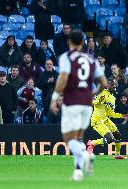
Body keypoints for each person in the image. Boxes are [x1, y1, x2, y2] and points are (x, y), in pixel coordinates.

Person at [50, 31, 107, 181]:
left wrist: (54, 98)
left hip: (72, 102)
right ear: (83, 43)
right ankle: (78, 172)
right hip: (87, 103)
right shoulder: (91, 59)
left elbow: (63, 77)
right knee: (79, 138)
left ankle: (86, 154)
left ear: (69, 42)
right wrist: (92, 94)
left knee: (69, 139)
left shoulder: (66, 57)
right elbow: (104, 83)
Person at [87, 79, 127, 159]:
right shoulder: (101, 92)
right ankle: (92, 143)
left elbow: (111, 113)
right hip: (97, 120)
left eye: (115, 84)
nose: (114, 86)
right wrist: (98, 101)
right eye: (112, 84)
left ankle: (117, 154)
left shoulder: (113, 98)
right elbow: (91, 101)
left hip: (105, 119)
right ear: (108, 85)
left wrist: (122, 116)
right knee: (110, 139)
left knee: (117, 135)